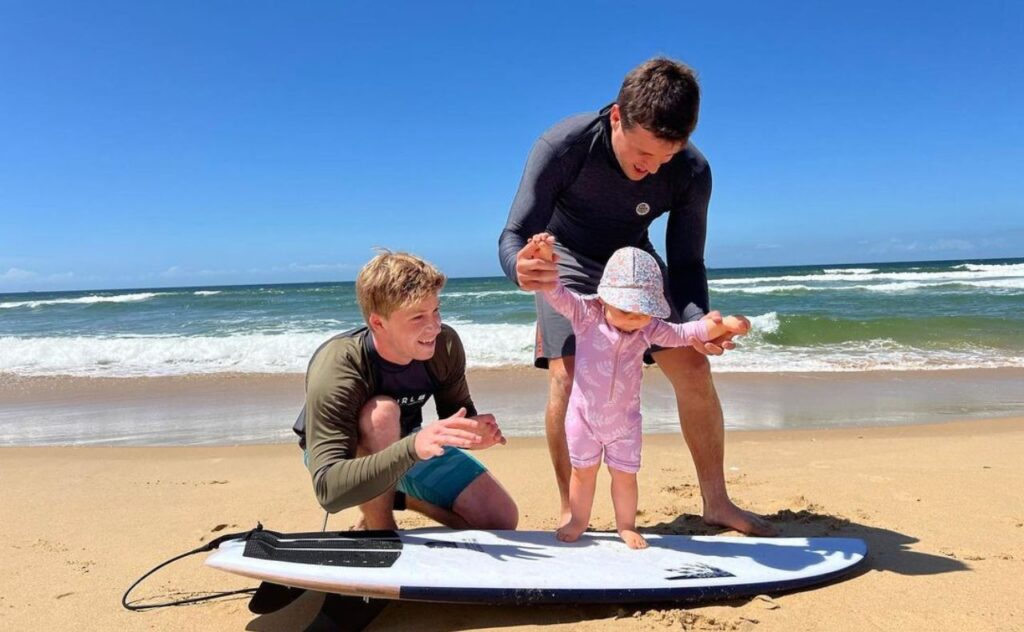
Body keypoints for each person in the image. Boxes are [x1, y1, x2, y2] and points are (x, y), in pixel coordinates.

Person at [498, 56, 775, 536]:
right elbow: (515, 232)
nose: (651, 170)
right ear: (616, 118)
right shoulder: (564, 146)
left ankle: (716, 501)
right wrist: (521, 267)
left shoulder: (690, 171)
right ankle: (572, 510)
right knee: (568, 376)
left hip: (636, 267)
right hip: (567, 260)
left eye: (664, 158)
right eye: (643, 155)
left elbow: (687, 262)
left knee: (693, 365)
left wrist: (698, 323)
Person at [527, 235, 750, 548]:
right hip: (584, 419)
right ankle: (578, 520)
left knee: (624, 476)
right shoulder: (586, 315)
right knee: (583, 472)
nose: (634, 320)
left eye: (643, 312)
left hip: (625, 423)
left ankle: (626, 525)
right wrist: (546, 259)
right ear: (604, 299)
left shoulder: (649, 328)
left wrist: (723, 325)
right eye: (626, 311)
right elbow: (554, 291)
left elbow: (686, 333)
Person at [293, 250, 518, 530]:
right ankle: (380, 528)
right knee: (382, 412)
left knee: (499, 519)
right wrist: (412, 447)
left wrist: (471, 433)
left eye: (435, 310)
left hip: (406, 444)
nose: (434, 327)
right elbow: (329, 491)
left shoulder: (444, 345)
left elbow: (455, 413)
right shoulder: (340, 363)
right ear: (378, 323)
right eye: (417, 317)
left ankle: (400, 497)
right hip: (345, 455)